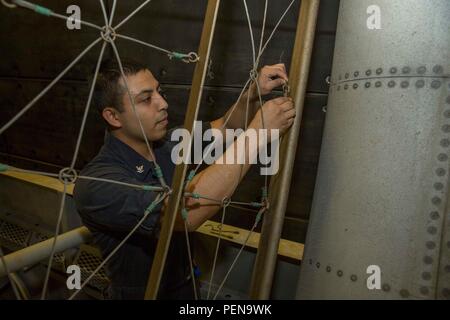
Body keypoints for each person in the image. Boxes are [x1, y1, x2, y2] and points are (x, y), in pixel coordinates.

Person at [73, 58, 295, 299]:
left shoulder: (168, 143)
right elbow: (181, 215)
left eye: (159, 91)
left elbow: (226, 127)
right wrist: (258, 134)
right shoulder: (98, 183)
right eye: (146, 99)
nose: (163, 103)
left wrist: (253, 93)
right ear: (113, 117)